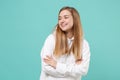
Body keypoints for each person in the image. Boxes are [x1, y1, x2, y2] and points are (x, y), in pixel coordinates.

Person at [39, 6, 90, 80]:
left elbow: (83, 70)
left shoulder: (84, 44)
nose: (61, 21)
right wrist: (72, 71)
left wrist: (56, 65)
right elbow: (46, 67)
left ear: (75, 19)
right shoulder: (51, 39)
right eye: (59, 18)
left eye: (66, 17)